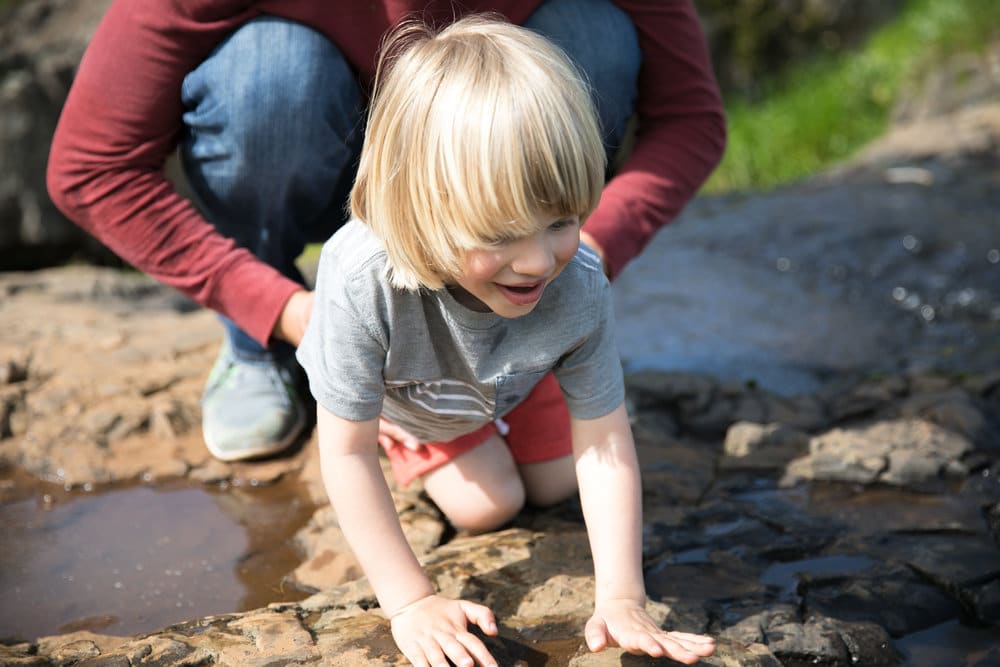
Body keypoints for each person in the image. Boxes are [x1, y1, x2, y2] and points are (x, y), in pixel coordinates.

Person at [47, 0, 726, 462]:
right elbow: (90, 165)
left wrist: (575, 256)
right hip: (330, 149)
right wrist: (284, 309)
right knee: (267, 79)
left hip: (494, 163)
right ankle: (260, 348)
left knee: (593, 37)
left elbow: (692, 118)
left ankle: (516, 332)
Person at [296, 16, 717, 666]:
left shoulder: (575, 282)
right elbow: (344, 455)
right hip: (417, 394)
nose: (537, 262)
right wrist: (409, 602)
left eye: (561, 220)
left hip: (514, 373)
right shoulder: (361, 278)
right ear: (418, 208)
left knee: (555, 486)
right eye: (499, 236)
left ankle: (508, 400)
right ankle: (404, 431)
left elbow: (604, 437)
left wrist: (622, 596)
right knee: (489, 503)